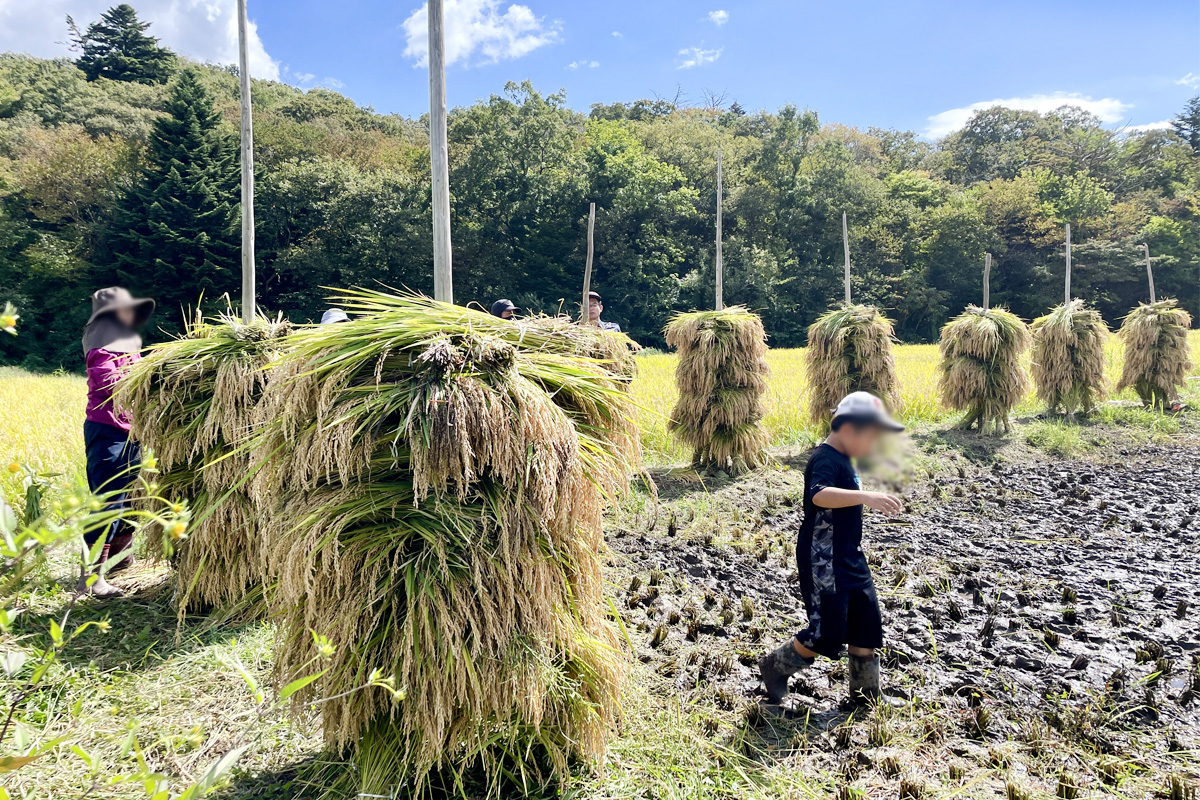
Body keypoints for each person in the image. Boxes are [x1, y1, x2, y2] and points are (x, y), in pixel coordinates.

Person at [759, 391, 905, 706]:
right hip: (823, 558)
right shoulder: (824, 458)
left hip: (850, 555)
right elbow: (819, 494)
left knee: (865, 625)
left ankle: (865, 697)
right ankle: (774, 667)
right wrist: (866, 497)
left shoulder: (846, 459)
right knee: (826, 631)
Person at [81, 287, 155, 597]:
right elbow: (109, 381)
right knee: (108, 500)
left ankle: (122, 561)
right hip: (107, 432)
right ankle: (91, 579)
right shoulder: (101, 343)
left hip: (130, 431)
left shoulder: (127, 342)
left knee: (132, 498)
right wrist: (150, 376)